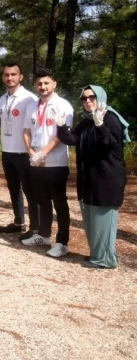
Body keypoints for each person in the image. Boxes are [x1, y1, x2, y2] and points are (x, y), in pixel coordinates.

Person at [57, 85, 128, 269]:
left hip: (107, 180)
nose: (88, 101)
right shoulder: (88, 121)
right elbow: (74, 140)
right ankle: (97, 255)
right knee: (91, 220)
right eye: (84, 98)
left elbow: (107, 144)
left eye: (92, 97)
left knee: (103, 222)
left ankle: (106, 259)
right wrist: (61, 127)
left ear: (101, 98)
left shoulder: (110, 119)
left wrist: (100, 125)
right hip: (89, 179)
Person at [21, 69, 74, 258]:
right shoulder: (31, 106)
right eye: (39, 83)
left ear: (54, 84)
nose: (42, 87)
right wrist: (32, 153)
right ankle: (43, 235)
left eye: (46, 83)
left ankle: (62, 242)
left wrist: (43, 153)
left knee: (59, 203)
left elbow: (62, 135)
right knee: (42, 200)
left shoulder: (63, 105)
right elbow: (26, 131)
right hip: (36, 162)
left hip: (56, 163)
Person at [0, 63, 39, 236]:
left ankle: (35, 227)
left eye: (13, 74)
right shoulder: (2, 99)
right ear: (3, 77)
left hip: (24, 152)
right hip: (8, 151)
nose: (10, 78)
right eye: (6, 74)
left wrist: (33, 150)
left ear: (21, 77)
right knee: (14, 188)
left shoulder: (29, 99)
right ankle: (18, 221)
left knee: (30, 190)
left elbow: (34, 126)